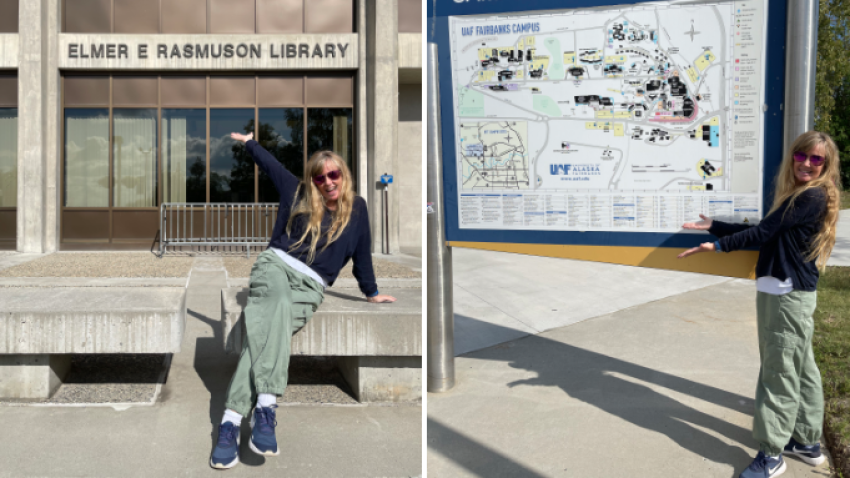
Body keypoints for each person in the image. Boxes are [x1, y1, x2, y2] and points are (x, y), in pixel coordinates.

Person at [210, 132, 396, 469]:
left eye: (334, 174)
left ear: (344, 174)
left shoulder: (358, 209)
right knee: (277, 304)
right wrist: (251, 142)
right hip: (276, 267)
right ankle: (266, 407)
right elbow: (270, 165)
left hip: (311, 287)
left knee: (266, 336)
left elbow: (362, 254)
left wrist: (370, 291)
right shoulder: (297, 192)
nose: (327, 182)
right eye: (320, 177)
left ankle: (230, 421)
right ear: (313, 180)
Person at [678, 131, 841, 478]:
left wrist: (718, 246)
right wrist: (716, 227)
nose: (807, 164)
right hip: (787, 293)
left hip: (785, 295)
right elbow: (768, 230)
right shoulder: (802, 196)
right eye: (802, 156)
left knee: (777, 374)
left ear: (827, 165)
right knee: (800, 367)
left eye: (817, 160)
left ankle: (772, 454)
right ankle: (806, 441)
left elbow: (761, 235)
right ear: (793, 156)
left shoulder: (809, 197)